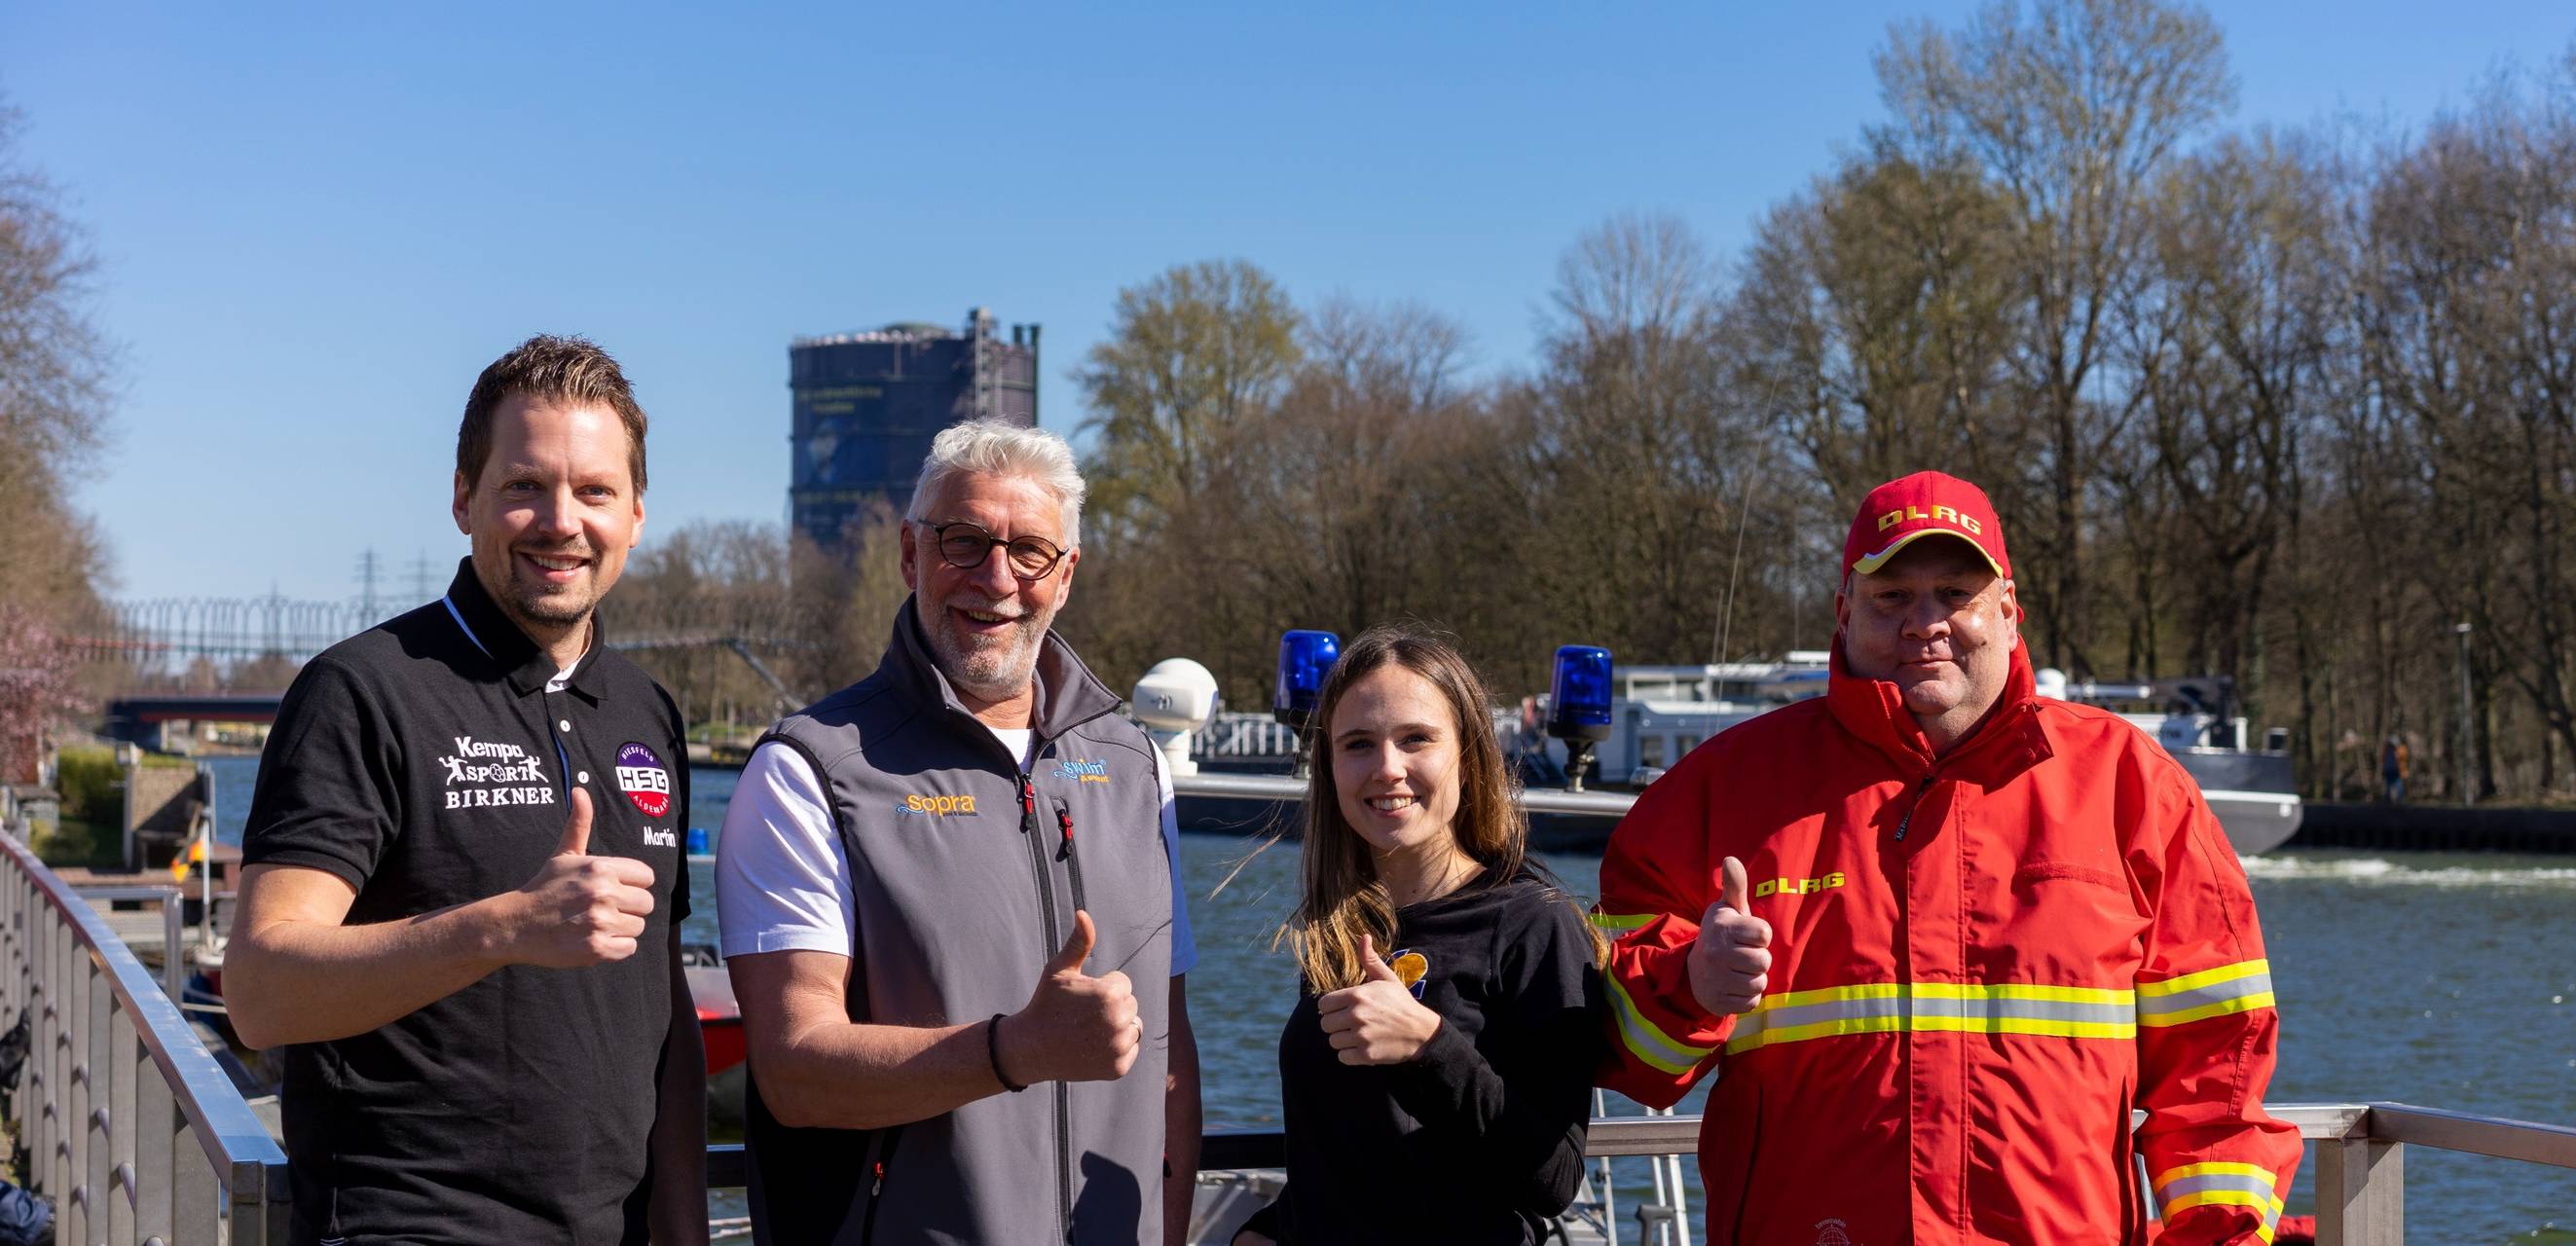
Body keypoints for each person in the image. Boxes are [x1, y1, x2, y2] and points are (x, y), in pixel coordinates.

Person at [1596, 470, 2300, 1244]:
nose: (1924, 623)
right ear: (1844, 613)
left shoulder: (2131, 786)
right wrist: (1692, 984)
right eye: (1891, 597)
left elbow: (2218, 1069)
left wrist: (2217, 1236)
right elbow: (1614, 1049)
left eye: (1955, 593)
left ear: (2007, 610)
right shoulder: (1717, 791)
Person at [224, 336, 704, 1244]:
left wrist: (681, 1228)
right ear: (462, 499)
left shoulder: (649, 711)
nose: (562, 520)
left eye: (595, 491)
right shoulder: (364, 690)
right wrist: (505, 927)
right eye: (525, 486)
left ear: (636, 515)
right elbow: (259, 990)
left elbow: (663, 1005)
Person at [718, 420, 1201, 1245]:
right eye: (964, 541)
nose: (997, 577)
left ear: (1067, 574)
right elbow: (795, 1072)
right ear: (910, 555)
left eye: (1030, 552)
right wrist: (1014, 1050)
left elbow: (1169, 1051)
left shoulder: (1135, 769)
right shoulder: (811, 772)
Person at [1232, 627, 1601, 1246]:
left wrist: (1428, 1046)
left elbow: (1554, 1178)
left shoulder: (1534, 924)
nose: (1387, 769)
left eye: (1416, 739)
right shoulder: (1343, 928)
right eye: (1357, 744)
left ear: (1469, 755)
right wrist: (1268, 1229)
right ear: (1330, 767)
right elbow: (1350, 1156)